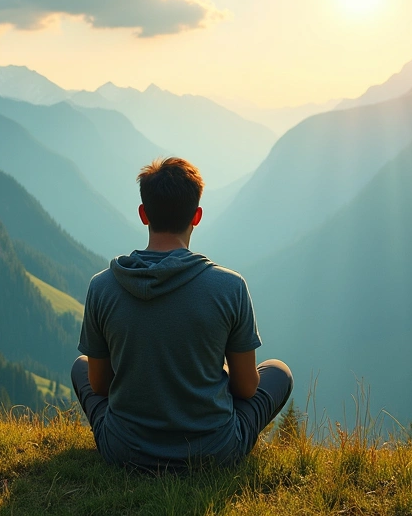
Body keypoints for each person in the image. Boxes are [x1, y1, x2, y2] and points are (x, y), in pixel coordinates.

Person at [71, 157, 293, 470]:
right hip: (215, 451)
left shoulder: (102, 287)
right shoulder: (230, 287)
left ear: (143, 214)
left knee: (81, 367)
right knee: (279, 372)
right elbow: (246, 388)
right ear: (197, 216)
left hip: (123, 449)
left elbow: (99, 386)